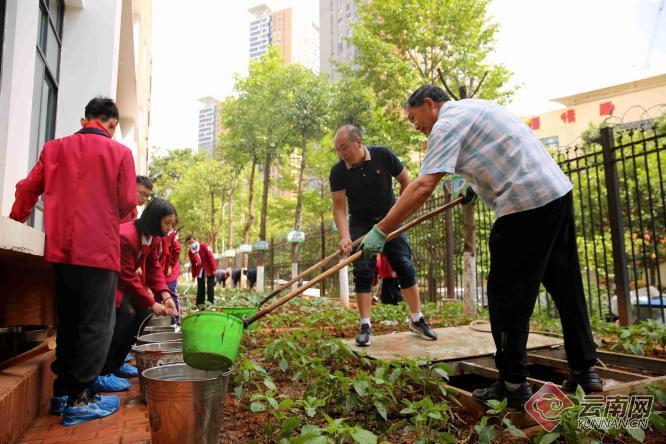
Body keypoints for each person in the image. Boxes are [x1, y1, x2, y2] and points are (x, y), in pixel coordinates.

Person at [360, 85, 600, 407]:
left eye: (415, 118)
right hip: (555, 192)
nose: (416, 126)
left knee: (506, 298)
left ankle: (513, 384)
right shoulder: (474, 108)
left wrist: (381, 230)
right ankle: (585, 371)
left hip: (524, 203)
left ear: (430, 104)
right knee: (566, 286)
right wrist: (471, 185)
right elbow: (492, 152)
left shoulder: (445, 122)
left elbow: (422, 186)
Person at [9, 97, 136, 425]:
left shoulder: (53, 149)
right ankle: (80, 398)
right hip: (99, 252)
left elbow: (27, 190)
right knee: (96, 324)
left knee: (68, 321)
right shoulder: (120, 153)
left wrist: (15, 220)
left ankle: (63, 392)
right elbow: (127, 207)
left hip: (62, 250)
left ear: (85, 119)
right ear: (111, 124)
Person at [329, 124, 437, 347]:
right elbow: (339, 208)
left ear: (359, 142)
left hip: (390, 219)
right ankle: (365, 324)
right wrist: (345, 236)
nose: (341, 154)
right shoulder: (338, 171)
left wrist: (400, 213)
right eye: (337, 150)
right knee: (364, 271)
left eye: (344, 147)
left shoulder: (384, 155)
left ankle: (417, 319)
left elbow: (408, 182)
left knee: (404, 265)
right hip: (360, 223)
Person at [95, 198, 178, 392]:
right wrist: (151, 301)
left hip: (122, 282)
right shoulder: (127, 236)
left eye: (172, 224)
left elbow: (153, 266)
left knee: (142, 314)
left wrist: (165, 296)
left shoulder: (153, 236)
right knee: (126, 314)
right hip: (107, 281)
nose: (169, 228)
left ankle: (115, 363)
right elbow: (127, 276)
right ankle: (102, 371)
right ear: (154, 219)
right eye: (167, 223)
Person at [186, 235, 217, 305]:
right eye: (189, 243)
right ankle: (200, 303)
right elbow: (193, 265)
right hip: (199, 270)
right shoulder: (190, 252)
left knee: (210, 287)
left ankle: (210, 303)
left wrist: (214, 269)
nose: (191, 244)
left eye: (192, 242)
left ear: (195, 240)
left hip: (209, 268)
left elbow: (210, 257)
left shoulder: (203, 246)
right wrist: (193, 276)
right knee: (200, 286)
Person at [160, 224, 182, 322]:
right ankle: (160, 319)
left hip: (170, 272)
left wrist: (170, 266)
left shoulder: (171, 236)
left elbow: (177, 249)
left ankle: (175, 321)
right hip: (160, 270)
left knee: (171, 293)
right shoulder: (157, 235)